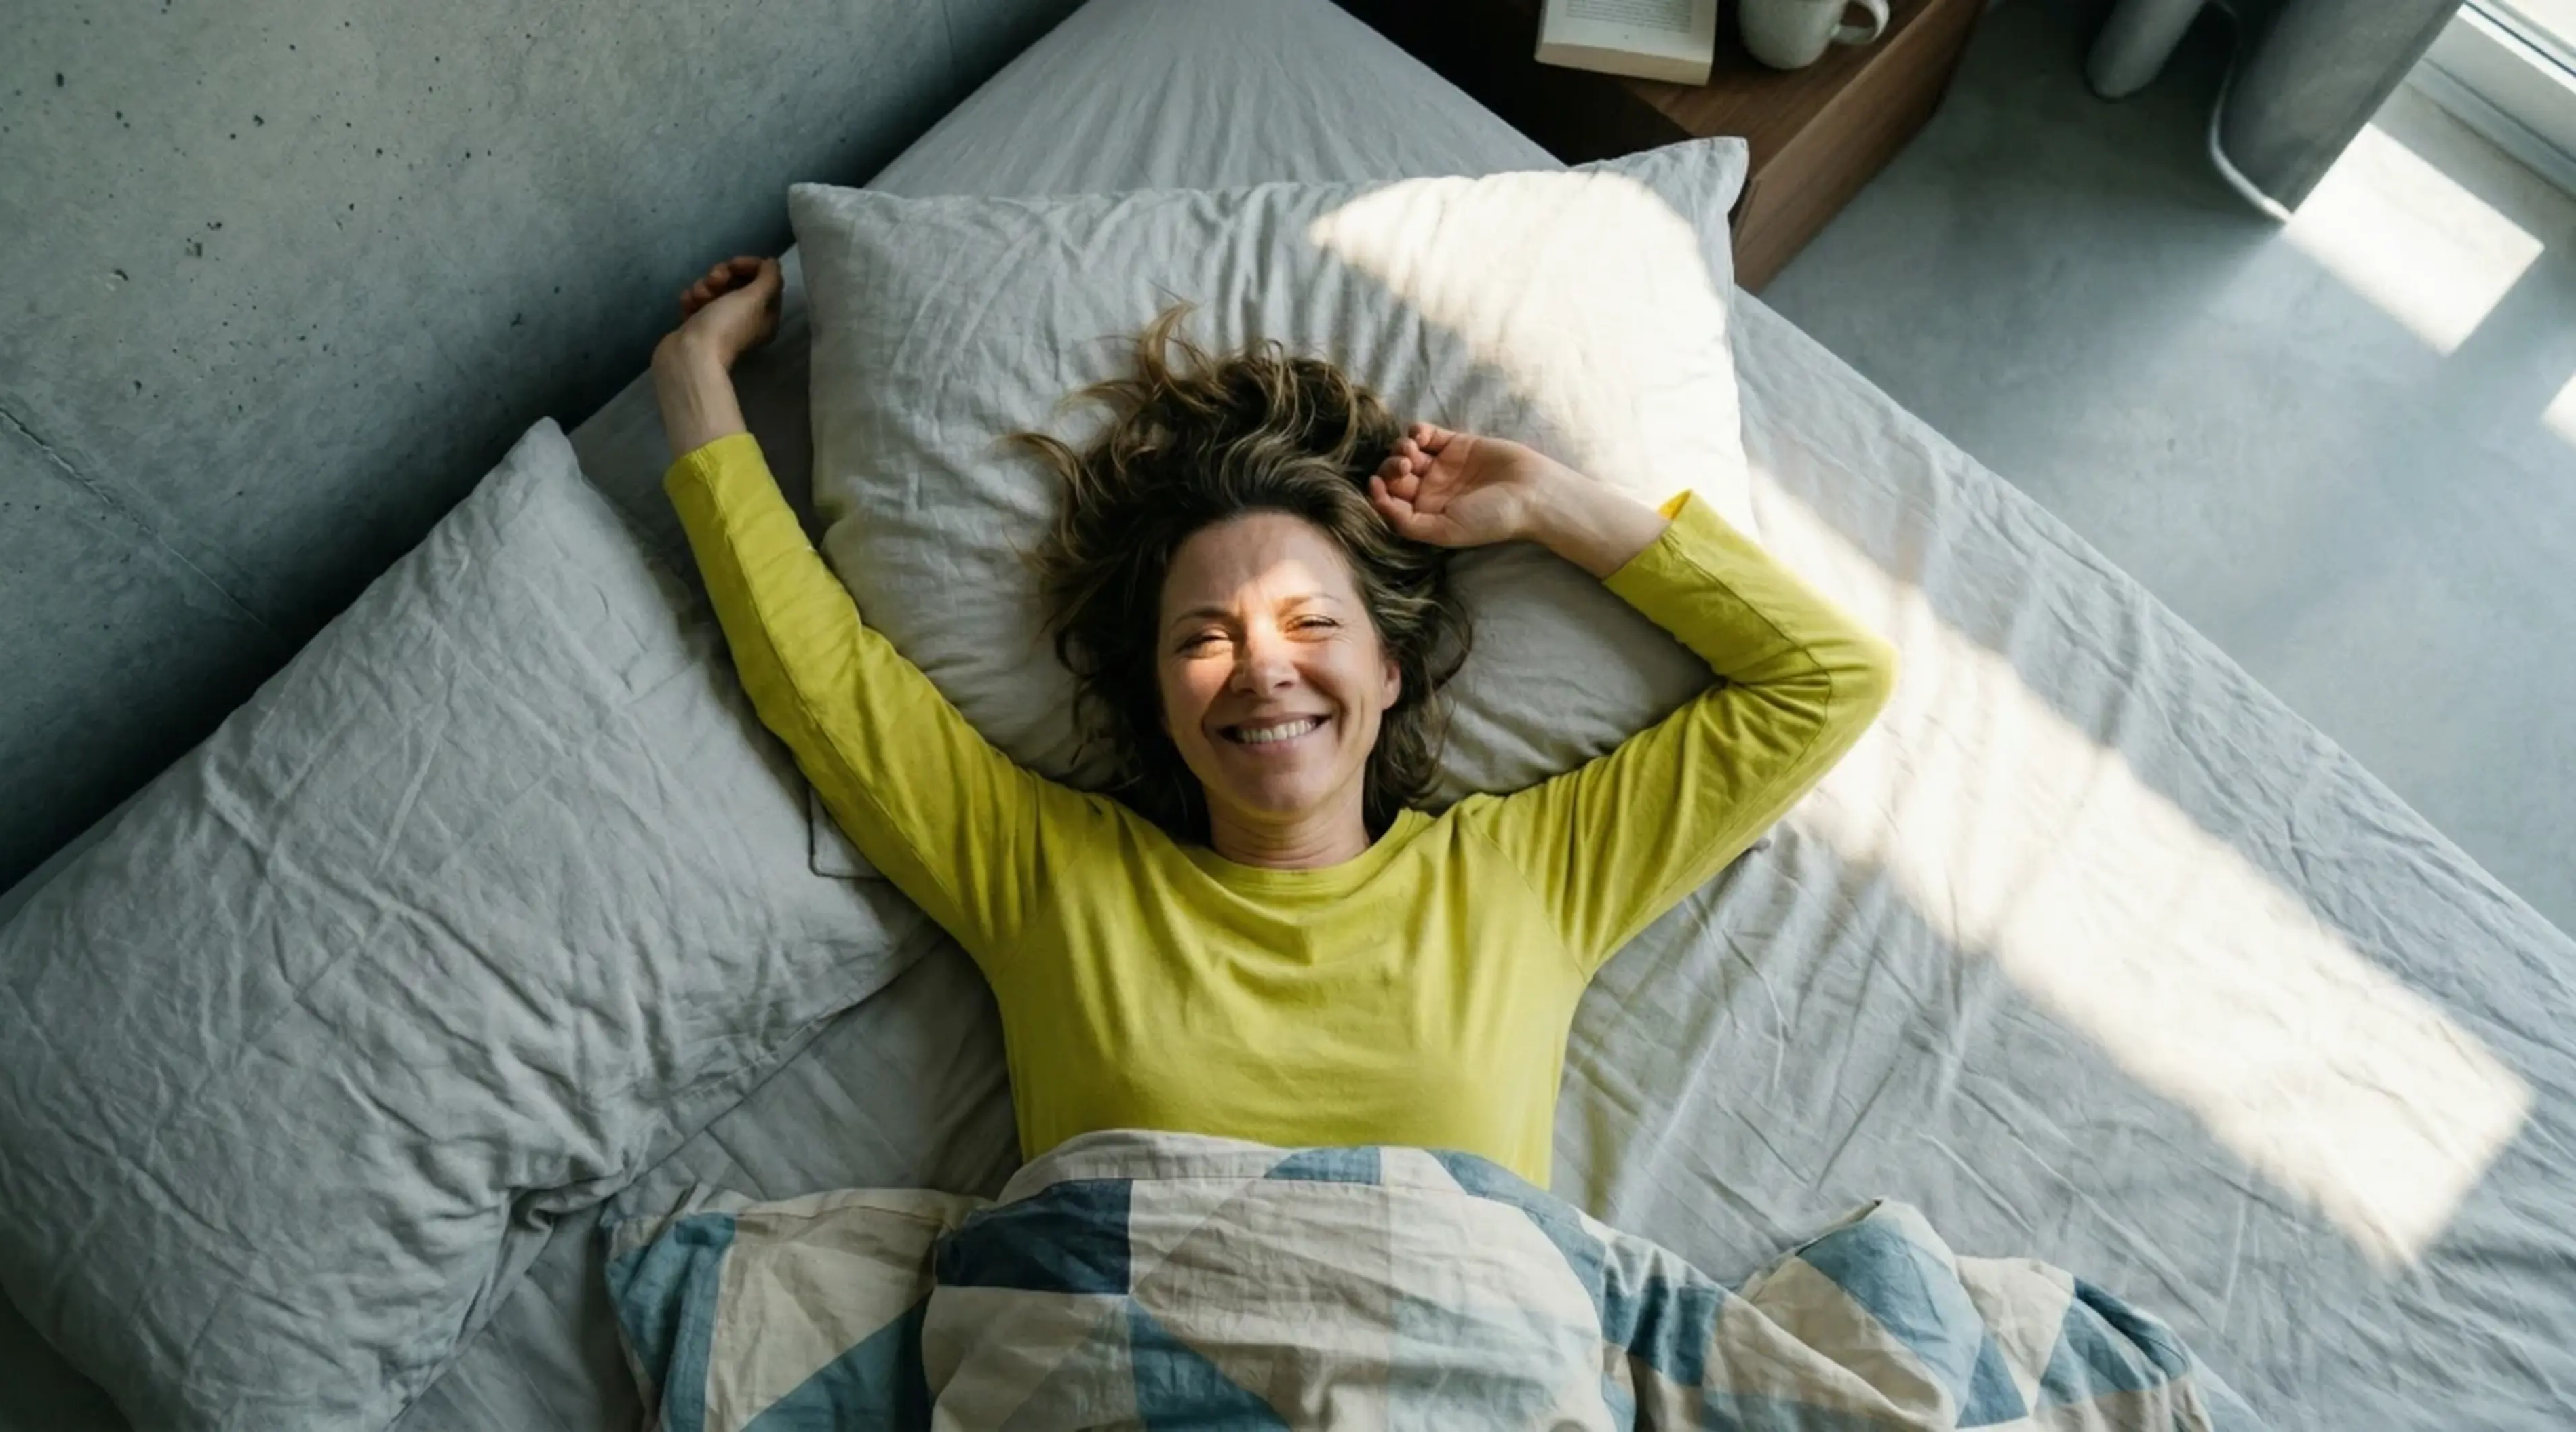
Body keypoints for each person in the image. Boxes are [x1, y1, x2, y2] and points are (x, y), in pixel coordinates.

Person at [650, 254, 1896, 1187]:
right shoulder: (1051, 879)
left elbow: (1823, 682)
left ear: (1392, 668)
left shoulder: (1530, 879)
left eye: (1310, 625)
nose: (1261, 670)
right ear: (1157, 696)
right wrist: (695, 376)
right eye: (1204, 638)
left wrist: (1556, 505)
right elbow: (815, 672)